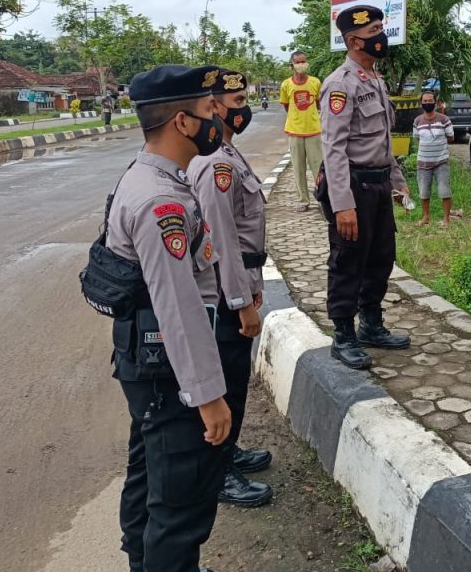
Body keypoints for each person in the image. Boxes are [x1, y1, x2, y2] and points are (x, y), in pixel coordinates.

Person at [105, 64, 232, 572]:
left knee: (149, 477)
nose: (218, 116)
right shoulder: (161, 201)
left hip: (148, 362)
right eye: (209, 109)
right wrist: (209, 397)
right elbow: (177, 308)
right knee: (179, 502)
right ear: (182, 122)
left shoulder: (148, 175)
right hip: (168, 371)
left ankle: (141, 560)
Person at [188, 68, 274, 509]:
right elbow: (220, 241)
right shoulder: (215, 163)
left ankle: (228, 452)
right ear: (214, 107)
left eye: (245, 100)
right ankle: (215, 471)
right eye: (236, 103)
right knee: (226, 381)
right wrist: (241, 303)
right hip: (225, 291)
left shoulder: (229, 153)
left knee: (236, 378)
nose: (245, 110)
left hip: (242, 278)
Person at [317, 5, 412, 369]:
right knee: (348, 261)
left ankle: (371, 324)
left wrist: (398, 184)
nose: (381, 36)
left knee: (380, 257)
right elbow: (334, 148)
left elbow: (382, 143)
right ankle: (343, 335)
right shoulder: (340, 84)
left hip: (378, 185)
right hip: (352, 187)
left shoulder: (374, 78)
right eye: (374, 30)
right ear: (355, 39)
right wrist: (342, 204)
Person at [279, 51, 323, 212]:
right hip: (294, 132)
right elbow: (286, 105)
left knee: (318, 169)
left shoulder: (315, 82)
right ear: (292, 64)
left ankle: (321, 198)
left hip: (314, 131)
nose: (301, 65)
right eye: (298, 62)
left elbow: (319, 104)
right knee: (298, 169)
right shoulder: (286, 85)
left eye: (304, 61)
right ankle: (303, 201)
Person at [412, 91, 455, 226]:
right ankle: (426, 218)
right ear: (421, 103)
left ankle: (446, 219)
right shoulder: (417, 121)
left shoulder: (444, 120)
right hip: (423, 162)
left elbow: (451, 137)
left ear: (435, 103)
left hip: (441, 161)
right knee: (424, 191)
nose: (428, 103)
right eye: (425, 101)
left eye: (430, 101)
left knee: (444, 190)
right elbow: (417, 139)